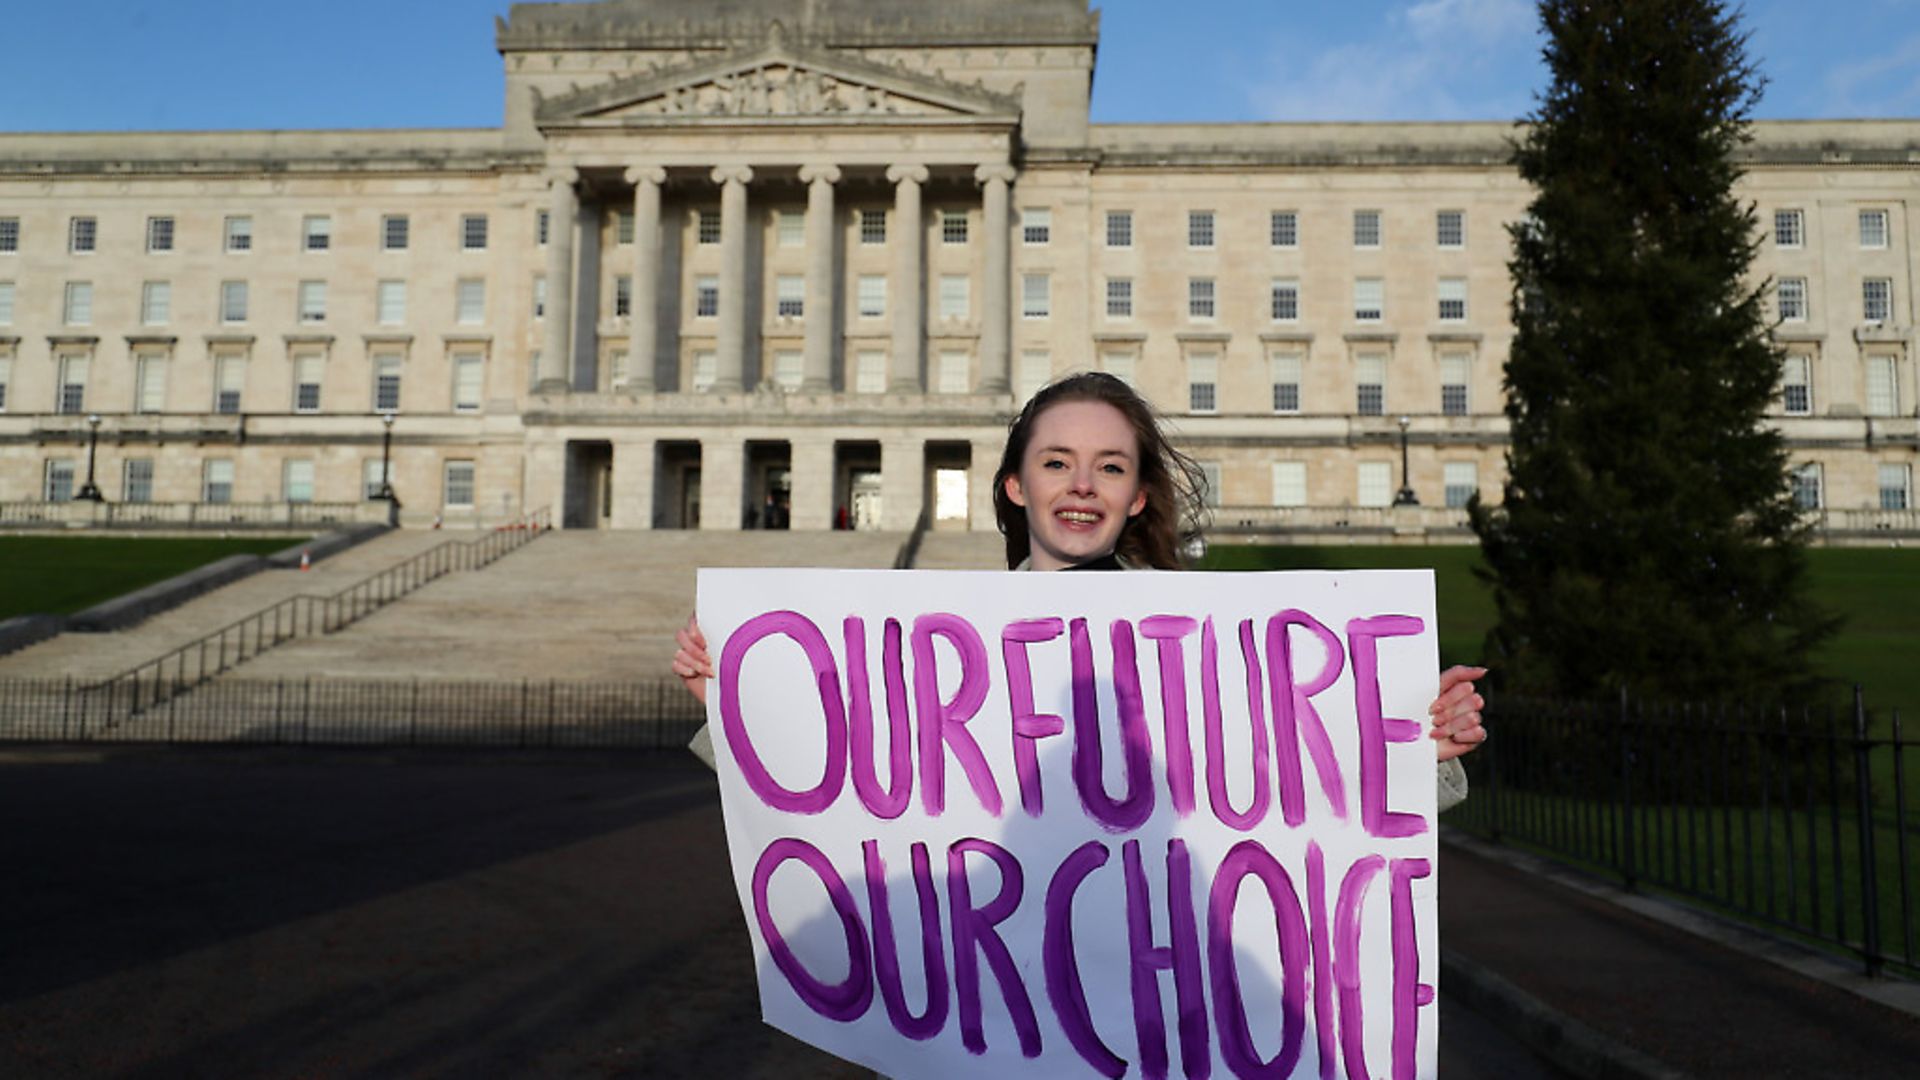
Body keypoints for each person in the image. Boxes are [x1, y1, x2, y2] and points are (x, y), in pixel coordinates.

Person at [672, 372, 1487, 805]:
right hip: (985, 1006)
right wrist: (733, 698)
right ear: (1016, 485)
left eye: (1110, 466)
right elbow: (846, 783)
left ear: (1137, 496)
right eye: (1056, 461)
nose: (1081, 485)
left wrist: (1423, 750)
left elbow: (1295, 786)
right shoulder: (945, 640)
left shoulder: (1207, 634)